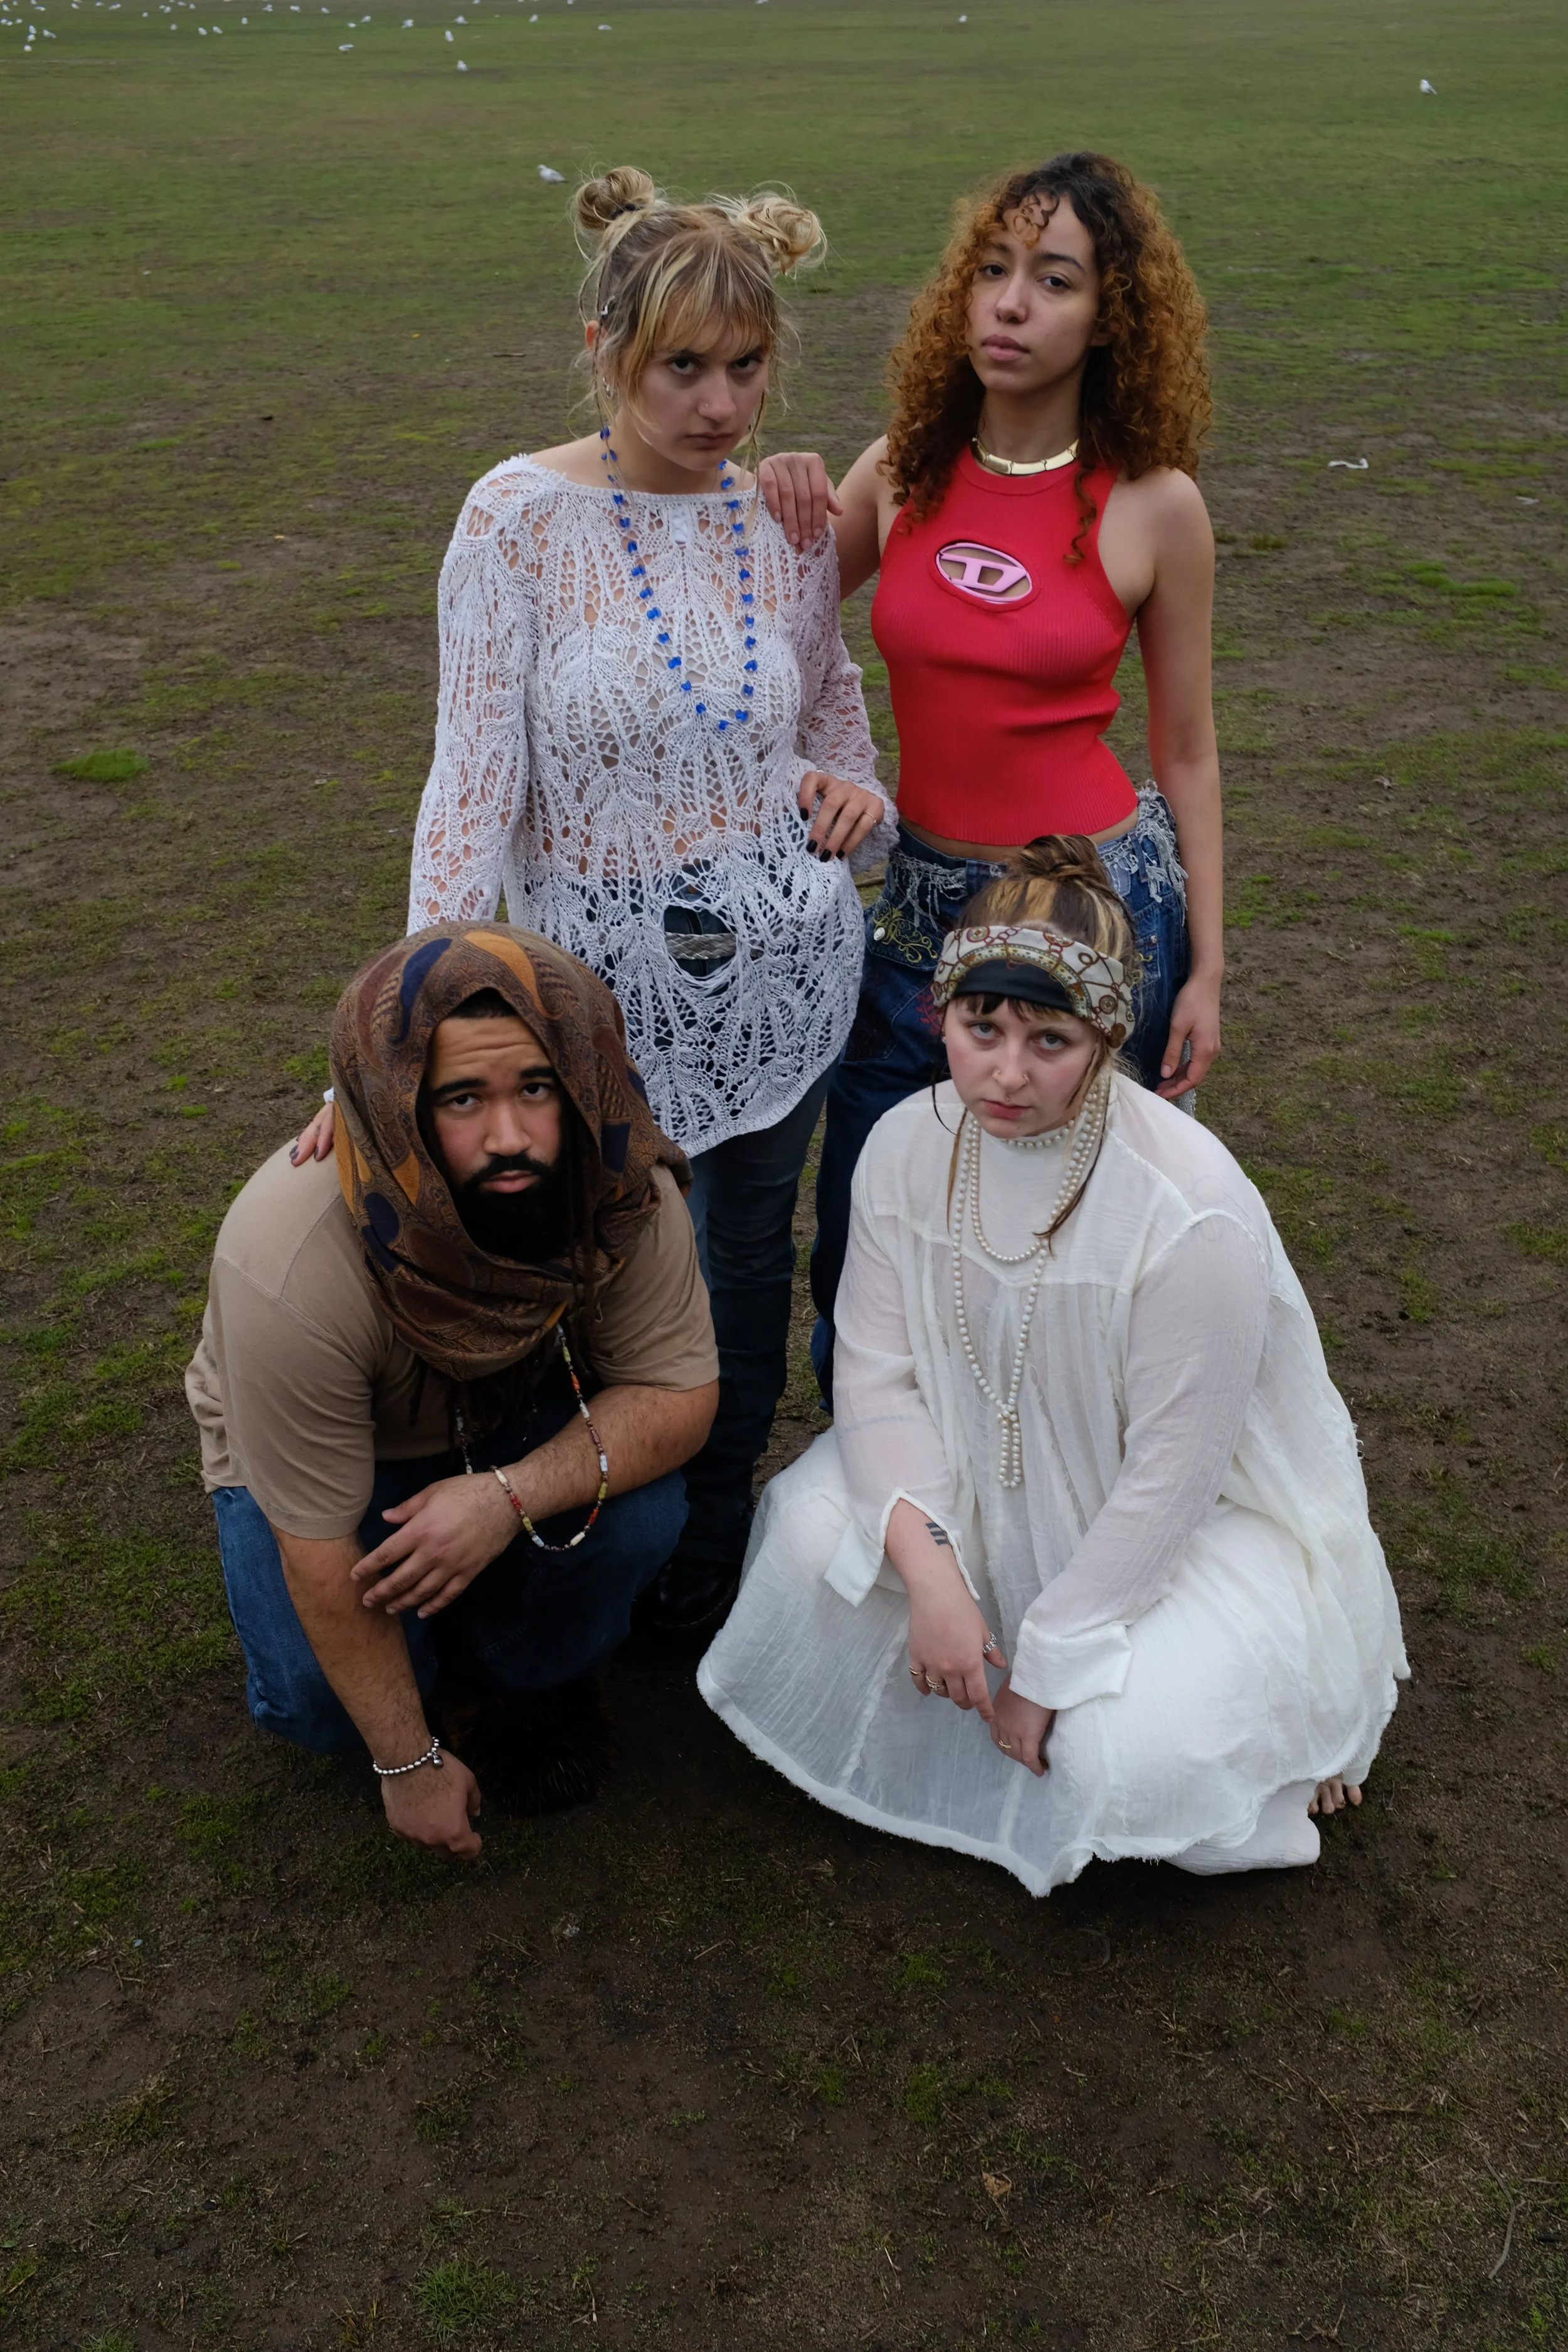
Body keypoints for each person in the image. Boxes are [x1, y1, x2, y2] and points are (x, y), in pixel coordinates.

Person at [295, 166, 891, 1636]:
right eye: (681, 367)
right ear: (600, 346)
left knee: (751, 1267)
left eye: (745, 367)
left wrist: (850, 795)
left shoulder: (784, 521)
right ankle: (563, 1568)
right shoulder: (514, 518)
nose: (718, 405)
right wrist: (405, 1025)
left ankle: (711, 1558)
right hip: (591, 1005)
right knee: (594, 1265)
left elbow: (830, 716)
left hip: (788, 981)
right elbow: (469, 788)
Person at [699, 840, 1407, 1893]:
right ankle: (993, 1677)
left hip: (1178, 1532)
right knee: (804, 1548)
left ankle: (1288, 1727)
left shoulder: (1187, 1206)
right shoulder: (902, 1143)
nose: (1008, 1072)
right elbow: (876, 1378)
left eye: (1050, 1039)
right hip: (973, 1488)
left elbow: (1173, 1477)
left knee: (1122, 1762)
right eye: (982, 1029)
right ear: (943, 1014)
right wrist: (934, 1567)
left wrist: (1049, 1663)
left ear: (1109, 1036)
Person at [758, 151, 1224, 1398]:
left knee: (1073, 1252)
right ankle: (886, 1510)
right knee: (871, 1234)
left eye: (1054, 279)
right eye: (993, 270)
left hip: (1093, 914)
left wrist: (1210, 969)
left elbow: (1184, 749)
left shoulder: (1153, 507)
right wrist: (753, 497)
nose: (1011, 303)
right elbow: (748, 625)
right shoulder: (900, 472)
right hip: (914, 913)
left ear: (1106, 317)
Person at [189, 925, 719, 1858]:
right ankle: (424, 1683)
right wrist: (407, 1763)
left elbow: (680, 1394)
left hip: (527, 1414)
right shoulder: (285, 1259)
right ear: (395, 1102)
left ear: (584, 1080)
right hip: (349, 1457)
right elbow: (317, 1546)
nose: (509, 1135)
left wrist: (504, 1498)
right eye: (463, 1098)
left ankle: (519, 1667)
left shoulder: (622, 1189)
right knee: (321, 1702)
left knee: (634, 1523)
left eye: (537, 1088)